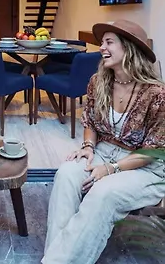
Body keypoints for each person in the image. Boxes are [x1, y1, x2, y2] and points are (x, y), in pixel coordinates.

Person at [42, 19, 165, 264]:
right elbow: (90, 121)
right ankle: (57, 257)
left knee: (103, 193)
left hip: (145, 167)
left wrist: (111, 169)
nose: (102, 48)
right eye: (103, 43)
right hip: (103, 151)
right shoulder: (98, 82)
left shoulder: (157, 94)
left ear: (129, 48)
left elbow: (154, 151)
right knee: (66, 174)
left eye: (109, 42)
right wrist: (88, 147)